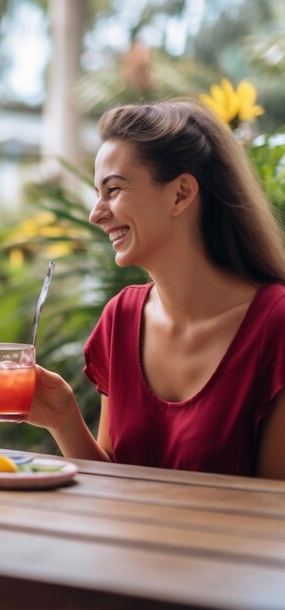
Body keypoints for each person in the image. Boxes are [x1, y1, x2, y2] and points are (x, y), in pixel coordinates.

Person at [28, 98, 285, 480]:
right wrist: (64, 419)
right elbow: (112, 489)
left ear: (181, 193)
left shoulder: (275, 324)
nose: (95, 213)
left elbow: (274, 512)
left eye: (112, 189)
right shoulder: (121, 317)